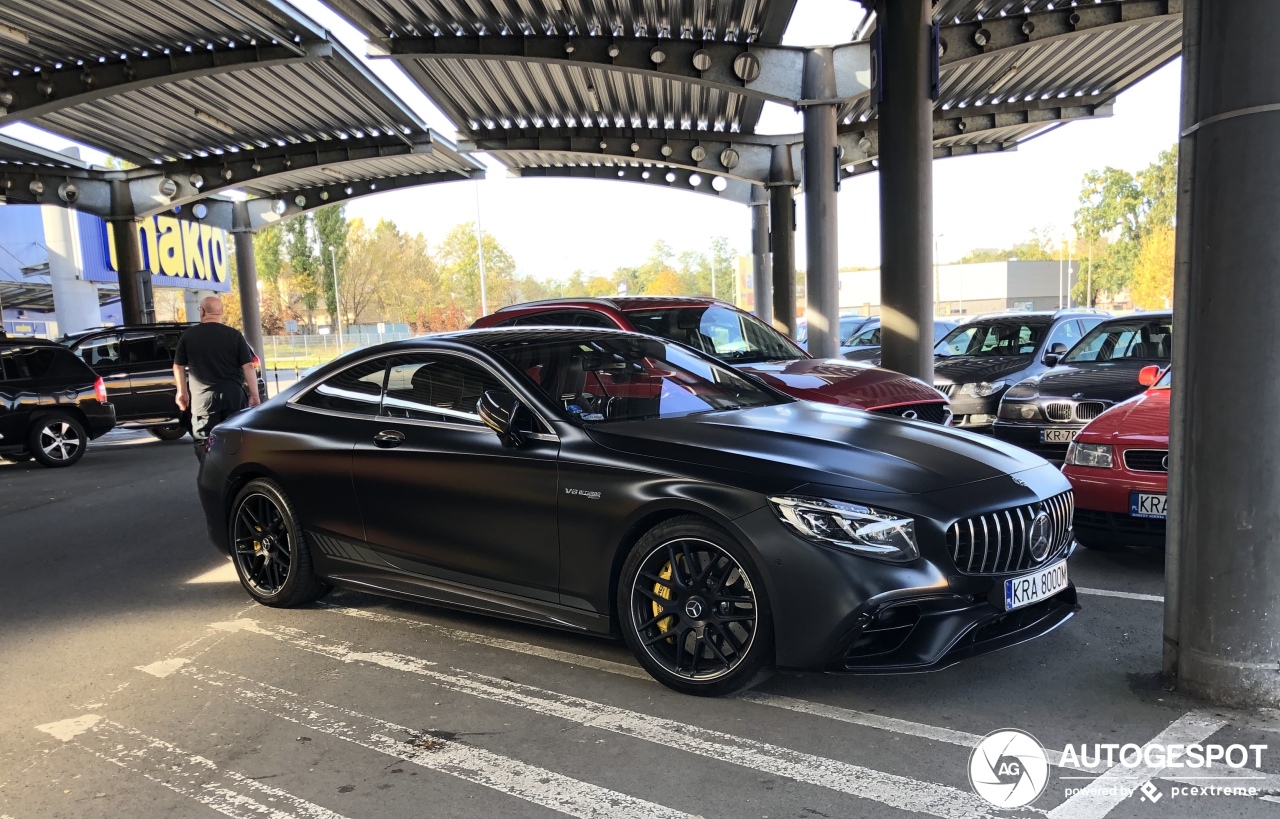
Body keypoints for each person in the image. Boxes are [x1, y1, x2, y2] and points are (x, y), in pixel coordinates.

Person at [173, 296, 261, 459]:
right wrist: (254, 395)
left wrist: (182, 393)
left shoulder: (188, 336)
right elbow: (248, 366)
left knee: (204, 442)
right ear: (221, 313)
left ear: (202, 312)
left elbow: (178, 366)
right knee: (235, 440)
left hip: (203, 401)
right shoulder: (234, 335)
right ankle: (232, 478)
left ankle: (210, 476)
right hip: (233, 398)